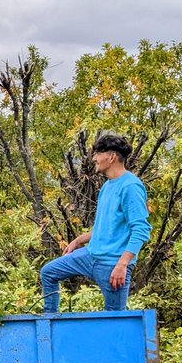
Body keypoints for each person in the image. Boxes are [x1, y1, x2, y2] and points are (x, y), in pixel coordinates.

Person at [40, 133, 152, 312]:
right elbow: (106, 227)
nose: (94, 158)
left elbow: (141, 230)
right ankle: (48, 325)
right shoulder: (107, 186)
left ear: (112, 156)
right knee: (49, 272)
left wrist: (122, 265)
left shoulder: (130, 186)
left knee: (114, 321)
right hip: (90, 256)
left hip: (112, 265)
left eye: (98, 153)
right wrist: (78, 241)